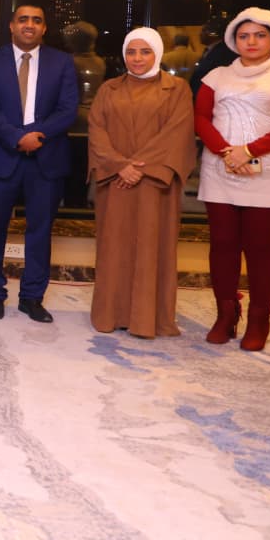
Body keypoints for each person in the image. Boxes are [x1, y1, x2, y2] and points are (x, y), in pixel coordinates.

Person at [87, 27, 196, 338]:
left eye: (145, 52)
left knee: (152, 246)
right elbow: (97, 131)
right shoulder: (108, 89)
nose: (137, 58)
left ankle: (148, 318)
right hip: (116, 183)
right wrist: (120, 166)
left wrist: (136, 168)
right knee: (114, 247)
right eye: (131, 52)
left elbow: (177, 134)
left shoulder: (177, 89)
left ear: (157, 54)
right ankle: (111, 314)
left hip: (155, 183)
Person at [0, 4, 78, 323]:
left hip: (46, 158)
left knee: (40, 231)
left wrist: (37, 135)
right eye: (23, 20)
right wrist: (16, 137)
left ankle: (32, 297)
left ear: (44, 28)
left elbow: (68, 109)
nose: (29, 25)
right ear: (11, 25)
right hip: (1, 156)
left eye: (37, 20)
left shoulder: (62, 62)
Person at [195, 7, 270, 351]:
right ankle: (226, 314)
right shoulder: (216, 76)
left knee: (262, 249)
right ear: (233, 40)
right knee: (223, 245)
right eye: (244, 36)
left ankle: (260, 318)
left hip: (269, 175)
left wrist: (248, 150)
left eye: (260, 35)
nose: (251, 42)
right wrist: (226, 152)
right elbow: (201, 118)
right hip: (220, 172)